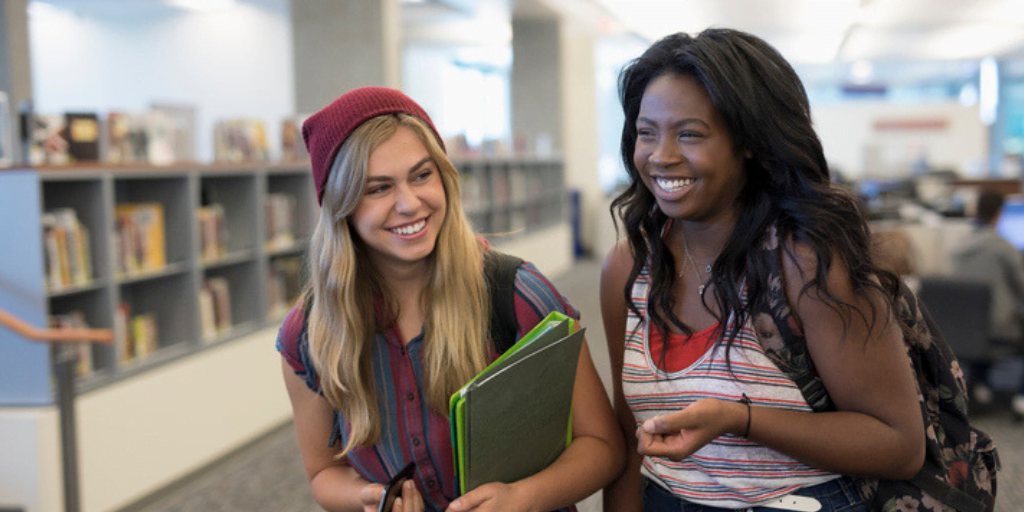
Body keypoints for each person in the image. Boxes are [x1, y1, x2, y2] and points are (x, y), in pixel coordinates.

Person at [600, 29, 926, 511]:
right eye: (647, 132)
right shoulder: (629, 267)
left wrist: (741, 418)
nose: (661, 156)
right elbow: (629, 433)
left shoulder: (806, 262)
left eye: (689, 133)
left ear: (748, 141)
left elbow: (899, 445)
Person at [277, 87, 623, 512]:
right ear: (341, 206)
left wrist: (521, 498)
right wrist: (367, 497)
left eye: (422, 175)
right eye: (379, 188)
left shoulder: (515, 294)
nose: (409, 203)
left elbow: (604, 446)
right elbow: (322, 473)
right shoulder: (310, 332)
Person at [951, 189, 1024, 416]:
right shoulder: (1003, 247)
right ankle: (1015, 397)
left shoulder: (958, 248)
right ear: (999, 214)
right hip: (997, 329)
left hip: (961, 331)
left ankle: (980, 387)